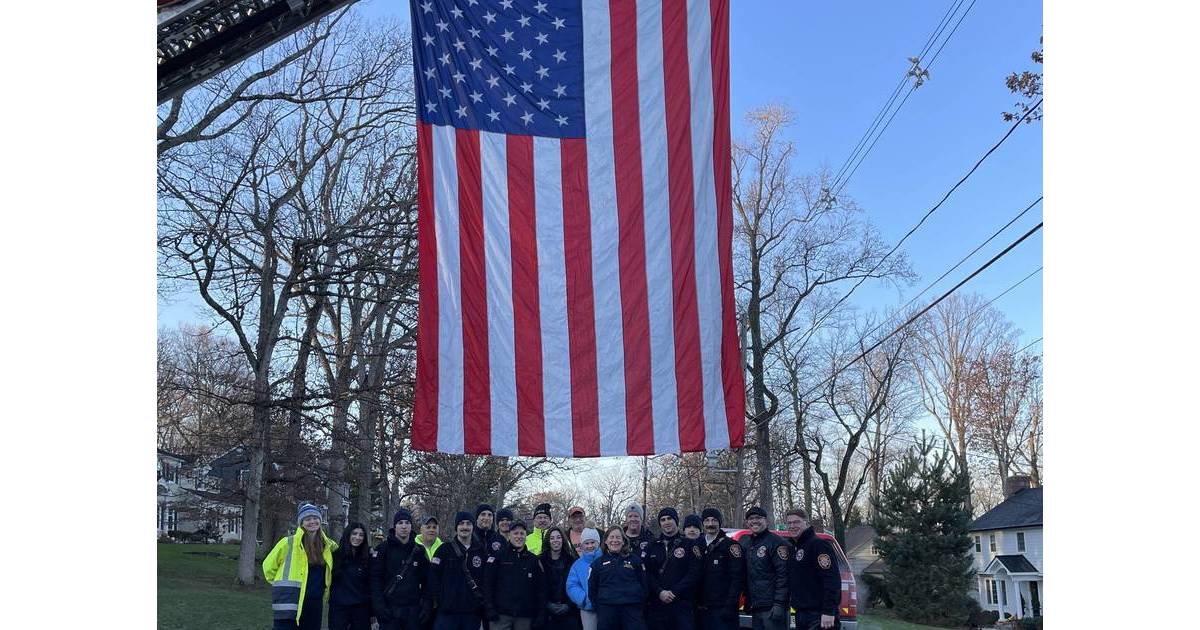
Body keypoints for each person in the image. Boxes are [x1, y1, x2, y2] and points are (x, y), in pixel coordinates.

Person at [263, 503, 338, 630]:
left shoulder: (328, 546)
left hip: (314, 602)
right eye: (307, 519)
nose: (312, 522)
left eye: (315, 518)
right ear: (301, 523)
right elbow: (268, 567)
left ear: (320, 520)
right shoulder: (288, 543)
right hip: (289, 601)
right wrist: (280, 585)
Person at [371, 508, 433, 630]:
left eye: (407, 523)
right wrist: (379, 606)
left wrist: (426, 605)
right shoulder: (383, 549)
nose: (404, 526)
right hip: (389, 611)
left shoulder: (419, 551)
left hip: (413, 612)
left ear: (411, 526)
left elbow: (427, 581)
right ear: (395, 526)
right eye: (400, 523)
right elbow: (375, 580)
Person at [430, 512, 490, 630]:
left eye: (468, 524)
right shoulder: (444, 550)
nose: (465, 527)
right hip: (447, 613)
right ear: (456, 527)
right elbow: (433, 577)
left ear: (473, 527)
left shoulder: (481, 551)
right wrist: (440, 601)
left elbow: (486, 580)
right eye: (461, 524)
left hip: (472, 614)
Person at [645, 508, 701, 630]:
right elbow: (647, 573)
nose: (666, 522)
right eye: (663, 520)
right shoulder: (652, 546)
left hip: (682, 605)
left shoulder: (689, 544)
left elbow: (694, 573)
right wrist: (660, 592)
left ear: (676, 521)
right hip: (657, 606)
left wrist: (674, 592)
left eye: (669, 518)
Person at [484, 520, 546, 630]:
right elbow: (488, 584)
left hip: (525, 617)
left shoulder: (533, 560)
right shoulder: (498, 557)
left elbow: (541, 589)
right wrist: (489, 608)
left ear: (526, 536)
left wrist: (541, 614)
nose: (519, 536)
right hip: (500, 616)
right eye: (515, 533)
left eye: (522, 533)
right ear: (509, 535)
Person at [785, 508, 840, 630]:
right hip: (801, 614)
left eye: (796, 522)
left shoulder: (818, 545)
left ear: (806, 523)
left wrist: (828, 611)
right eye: (789, 523)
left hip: (820, 615)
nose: (792, 526)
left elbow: (831, 580)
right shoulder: (793, 548)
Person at [588, 526, 649, 630]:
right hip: (607, 611)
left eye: (618, 537)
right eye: (611, 537)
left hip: (632, 610)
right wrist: (600, 608)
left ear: (623, 541)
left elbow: (644, 585)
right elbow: (592, 589)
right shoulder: (597, 564)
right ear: (606, 541)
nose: (614, 540)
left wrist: (638, 605)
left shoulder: (635, 560)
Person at [740, 507, 789, 630]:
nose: (754, 521)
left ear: (766, 521)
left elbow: (784, 575)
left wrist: (779, 604)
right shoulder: (748, 544)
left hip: (772, 607)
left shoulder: (777, 543)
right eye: (751, 518)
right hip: (756, 606)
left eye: (758, 518)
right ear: (747, 523)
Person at [695, 508, 743, 630]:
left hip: (722, 610)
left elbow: (737, 578)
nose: (710, 524)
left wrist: (730, 606)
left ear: (720, 522)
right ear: (703, 523)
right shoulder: (697, 545)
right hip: (700, 609)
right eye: (707, 520)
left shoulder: (731, 546)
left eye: (714, 520)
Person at [330, 522, 372, 630]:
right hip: (339, 608)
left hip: (361, 609)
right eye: (354, 534)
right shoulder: (335, 556)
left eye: (361, 535)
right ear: (348, 534)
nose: (357, 537)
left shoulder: (368, 557)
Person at [540, 527, 582, 630]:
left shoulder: (572, 561)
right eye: (552, 538)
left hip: (569, 612)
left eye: (558, 537)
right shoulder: (540, 561)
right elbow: (536, 587)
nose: (555, 540)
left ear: (563, 540)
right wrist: (547, 604)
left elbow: (577, 586)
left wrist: (569, 605)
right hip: (546, 614)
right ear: (548, 541)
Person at [567, 528, 602, 630]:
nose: (590, 546)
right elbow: (572, 585)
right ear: (582, 545)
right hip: (587, 608)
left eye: (593, 542)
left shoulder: (605, 560)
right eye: (587, 543)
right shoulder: (577, 565)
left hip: (605, 606)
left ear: (598, 543)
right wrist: (583, 598)